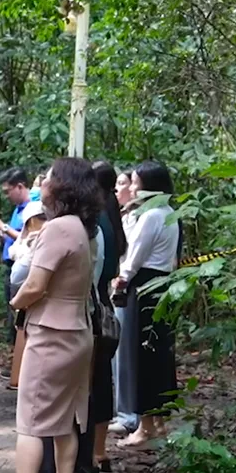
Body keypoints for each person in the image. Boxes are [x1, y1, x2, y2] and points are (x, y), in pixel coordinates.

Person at [0, 157, 101, 473]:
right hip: (78, 332)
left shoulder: (59, 228)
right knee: (63, 421)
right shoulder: (85, 230)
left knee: (31, 421)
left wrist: (15, 303)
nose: (45, 183)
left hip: (50, 333)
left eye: (50, 178)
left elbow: (37, 285)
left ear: (64, 187)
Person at [114, 161, 181, 449]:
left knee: (143, 357)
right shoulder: (169, 213)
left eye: (137, 183)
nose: (133, 188)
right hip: (162, 285)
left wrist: (121, 279)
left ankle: (144, 426)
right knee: (159, 355)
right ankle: (160, 421)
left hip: (144, 287)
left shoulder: (152, 215)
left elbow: (135, 256)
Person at [89, 161, 128, 472]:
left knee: (93, 378)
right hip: (106, 304)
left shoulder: (95, 219)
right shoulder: (112, 216)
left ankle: (91, 452)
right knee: (103, 377)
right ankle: (99, 451)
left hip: (93, 306)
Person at [0, 168, 33, 353]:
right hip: (11, 265)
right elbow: (14, 239)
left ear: (20, 186)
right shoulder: (17, 210)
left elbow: (29, 238)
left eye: (8, 191)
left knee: (20, 315)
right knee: (12, 315)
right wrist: (0, 233)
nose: (7, 196)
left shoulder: (33, 209)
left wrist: (4, 227)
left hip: (23, 266)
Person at [6, 199, 48, 389]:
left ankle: (27, 383)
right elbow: (13, 251)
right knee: (22, 334)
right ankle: (20, 380)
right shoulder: (28, 237)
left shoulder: (46, 237)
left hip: (35, 298)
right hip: (24, 295)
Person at [110, 169, 139, 435]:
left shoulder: (140, 218)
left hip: (128, 289)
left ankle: (128, 413)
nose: (118, 190)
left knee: (125, 352)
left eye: (123, 184)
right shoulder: (123, 217)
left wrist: (121, 278)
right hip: (119, 288)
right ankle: (122, 410)